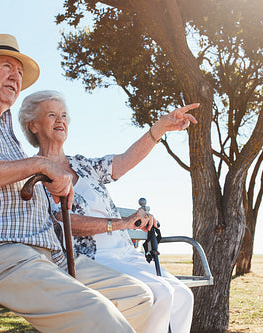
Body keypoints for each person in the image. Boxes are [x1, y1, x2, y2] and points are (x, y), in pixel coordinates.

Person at [0, 33, 154, 333]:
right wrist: (39, 165)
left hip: (47, 253)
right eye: (7, 67)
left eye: (20, 72)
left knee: (138, 298)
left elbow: (19, 180)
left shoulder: (4, 127)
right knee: (97, 316)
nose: (16, 77)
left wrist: (52, 190)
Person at [18, 90, 199, 333]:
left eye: (63, 115)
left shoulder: (83, 164)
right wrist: (122, 222)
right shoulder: (36, 172)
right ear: (33, 125)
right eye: (51, 114)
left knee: (183, 296)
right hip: (91, 259)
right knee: (162, 294)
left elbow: (124, 161)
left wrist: (160, 128)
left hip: (124, 252)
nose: (60, 120)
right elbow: (61, 221)